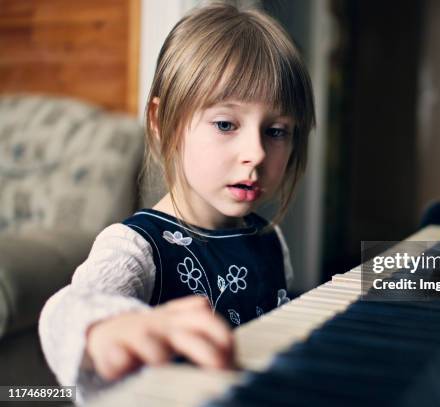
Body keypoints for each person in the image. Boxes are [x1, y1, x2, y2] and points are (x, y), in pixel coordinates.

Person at [38, 2, 315, 401]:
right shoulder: (134, 246)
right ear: (160, 119)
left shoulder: (271, 241)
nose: (255, 152)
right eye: (225, 124)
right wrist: (109, 329)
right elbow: (66, 311)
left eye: (276, 131)